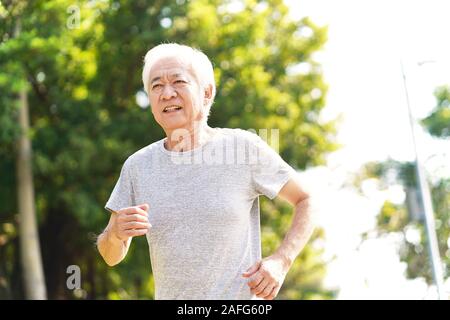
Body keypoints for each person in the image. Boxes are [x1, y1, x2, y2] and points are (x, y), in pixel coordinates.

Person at [97, 43, 315, 300]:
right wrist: (115, 234)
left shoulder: (243, 148)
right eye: (156, 86)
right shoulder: (138, 166)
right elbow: (111, 255)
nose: (167, 94)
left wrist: (281, 260)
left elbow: (306, 200)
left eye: (178, 81)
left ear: (207, 93)